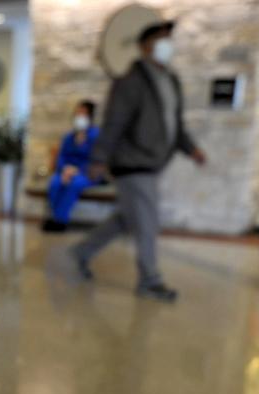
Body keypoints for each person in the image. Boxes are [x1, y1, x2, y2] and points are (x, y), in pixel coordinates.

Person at [69, 20, 206, 302]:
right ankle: (150, 280)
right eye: (161, 39)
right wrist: (99, 158)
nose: (168, 44)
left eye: (170, 38)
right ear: (145, 45)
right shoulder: (130, 82)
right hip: (131, 162)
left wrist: (191, 149)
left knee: (128, 219)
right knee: (147, 222)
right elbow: (113, 124)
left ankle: (81, 252)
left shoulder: (170, 80)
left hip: (153, 162)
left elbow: (174, 125)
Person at [42, 100, 100, 232]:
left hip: (87, 173)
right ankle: (53, 217)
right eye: (77, 112)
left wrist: (77, 170)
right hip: (66, 171)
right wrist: (64, 170)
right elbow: (61, 157)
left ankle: (60, 221)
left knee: (73, 184)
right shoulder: (69, 137)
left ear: (90, 116)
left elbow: (96, 159)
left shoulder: (96, 135)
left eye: (83, 113)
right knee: (55, 182)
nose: (79, 116)